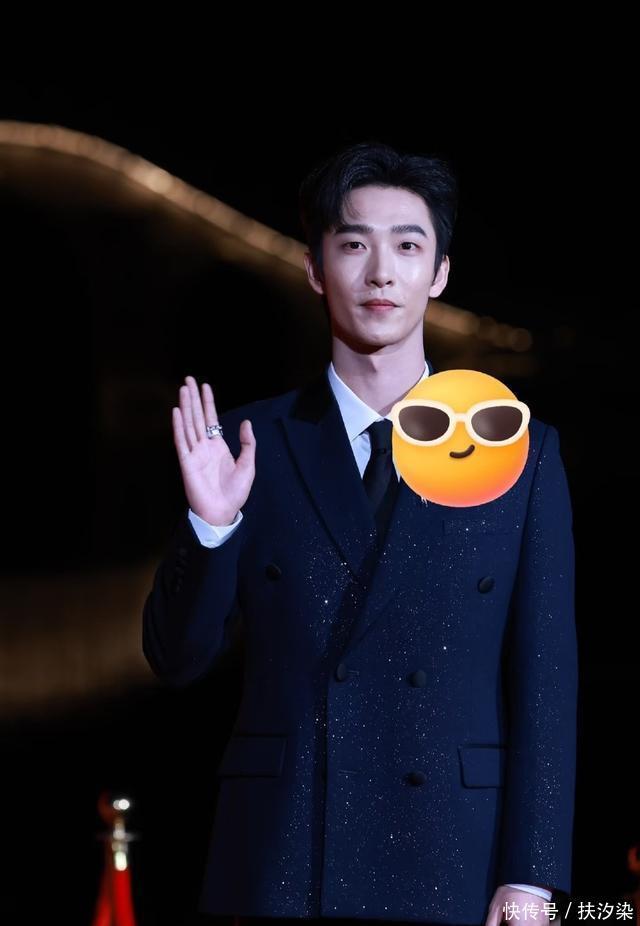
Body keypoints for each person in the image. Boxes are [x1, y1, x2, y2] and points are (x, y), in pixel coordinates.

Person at [142, 141, 578, 926]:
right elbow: (176, 662)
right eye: (353, 245)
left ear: (439, 273)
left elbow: (546, 680)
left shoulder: (516, 449)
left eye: (407, 247)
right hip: (283, 854)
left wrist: (533, 875)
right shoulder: (247, 444)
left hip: (456, 855)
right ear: (315, 268)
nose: (380, 273)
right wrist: (212, 526)